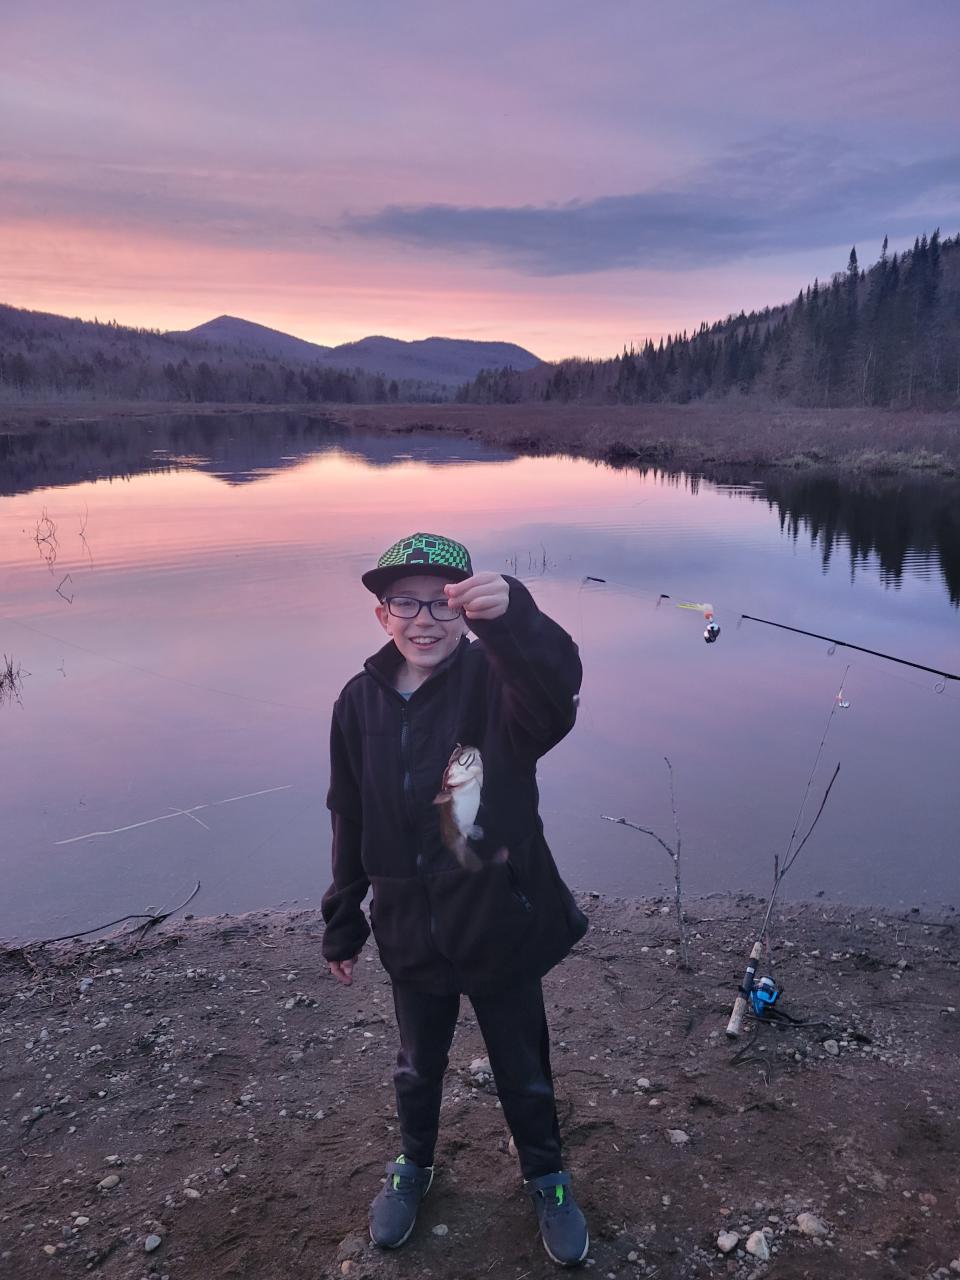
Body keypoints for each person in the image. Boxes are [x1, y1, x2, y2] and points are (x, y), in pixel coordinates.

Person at [321, 532, 590, 1267]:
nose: (424, 619)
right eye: (405, 603)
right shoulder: (356, 702)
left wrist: (518, 620)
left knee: (523, 1065)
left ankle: (547, 1175)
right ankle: (415, 1163)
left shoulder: (498, 682)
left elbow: (555, 696)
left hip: (498, 920)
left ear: (465, 608)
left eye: (441, 602)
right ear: (383, 616)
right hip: (408, 928)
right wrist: (344, 922)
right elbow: (348, 814)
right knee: (416, 1063)